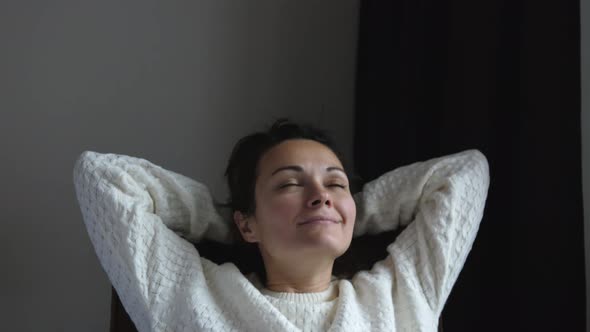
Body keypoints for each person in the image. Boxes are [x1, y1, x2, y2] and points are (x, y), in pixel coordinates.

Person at [72, 118, 490, 332]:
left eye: (335, 183)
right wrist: (224, 221)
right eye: (290, 183)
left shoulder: (402, 294)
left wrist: (353, 210)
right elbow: (101, 176)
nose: (320, 193)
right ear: (248, 223)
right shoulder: (188, 292)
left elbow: (465, 173)